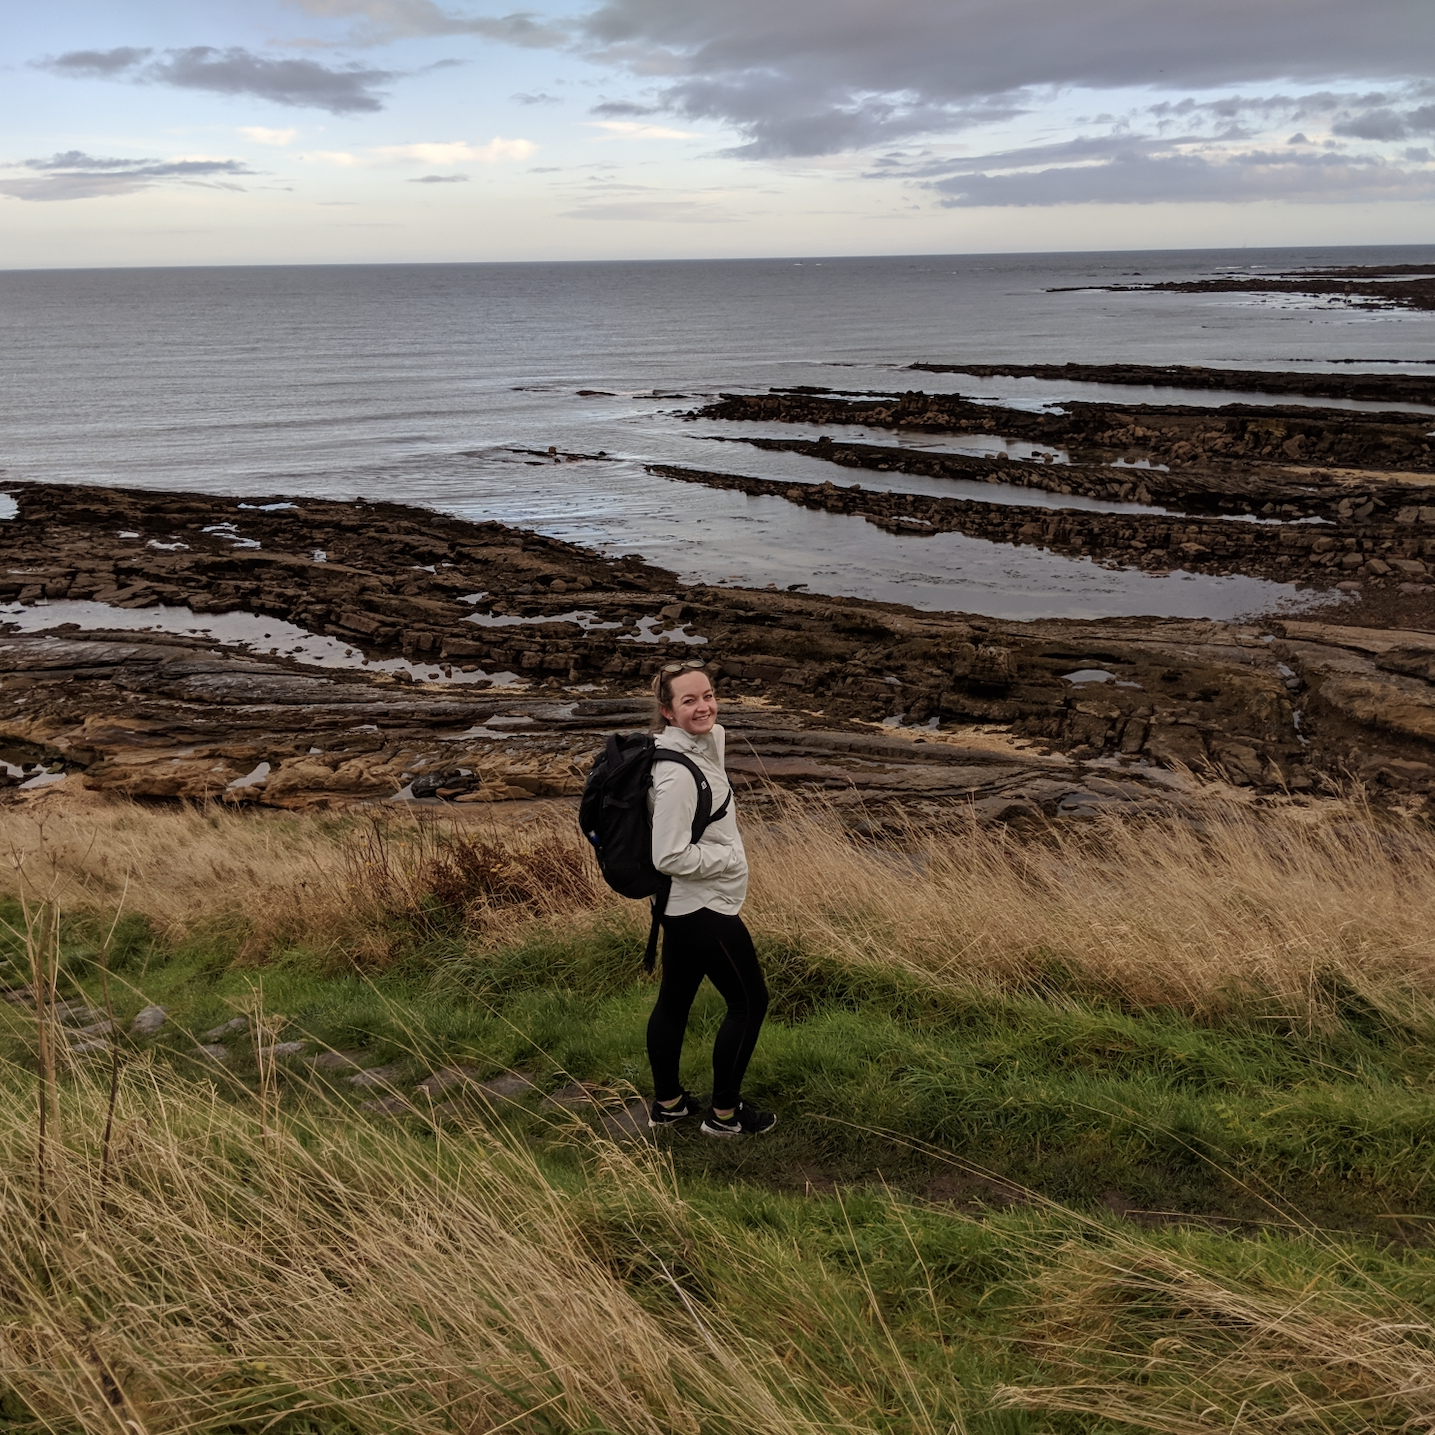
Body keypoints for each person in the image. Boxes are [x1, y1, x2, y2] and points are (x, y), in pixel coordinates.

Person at [645, 661, 775, 1137]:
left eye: (709, 695)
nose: (704, 706)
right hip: (702, 905)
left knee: (675, 1000)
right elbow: (669, 854)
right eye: (689, 700)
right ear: (667, 712)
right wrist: (726, 858)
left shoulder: (694, 745)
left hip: (679, 905)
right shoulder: (677, 775)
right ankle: (725, 1116)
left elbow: (712, 732)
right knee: (750, 1002)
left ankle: (669, 1104)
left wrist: (704, 724)